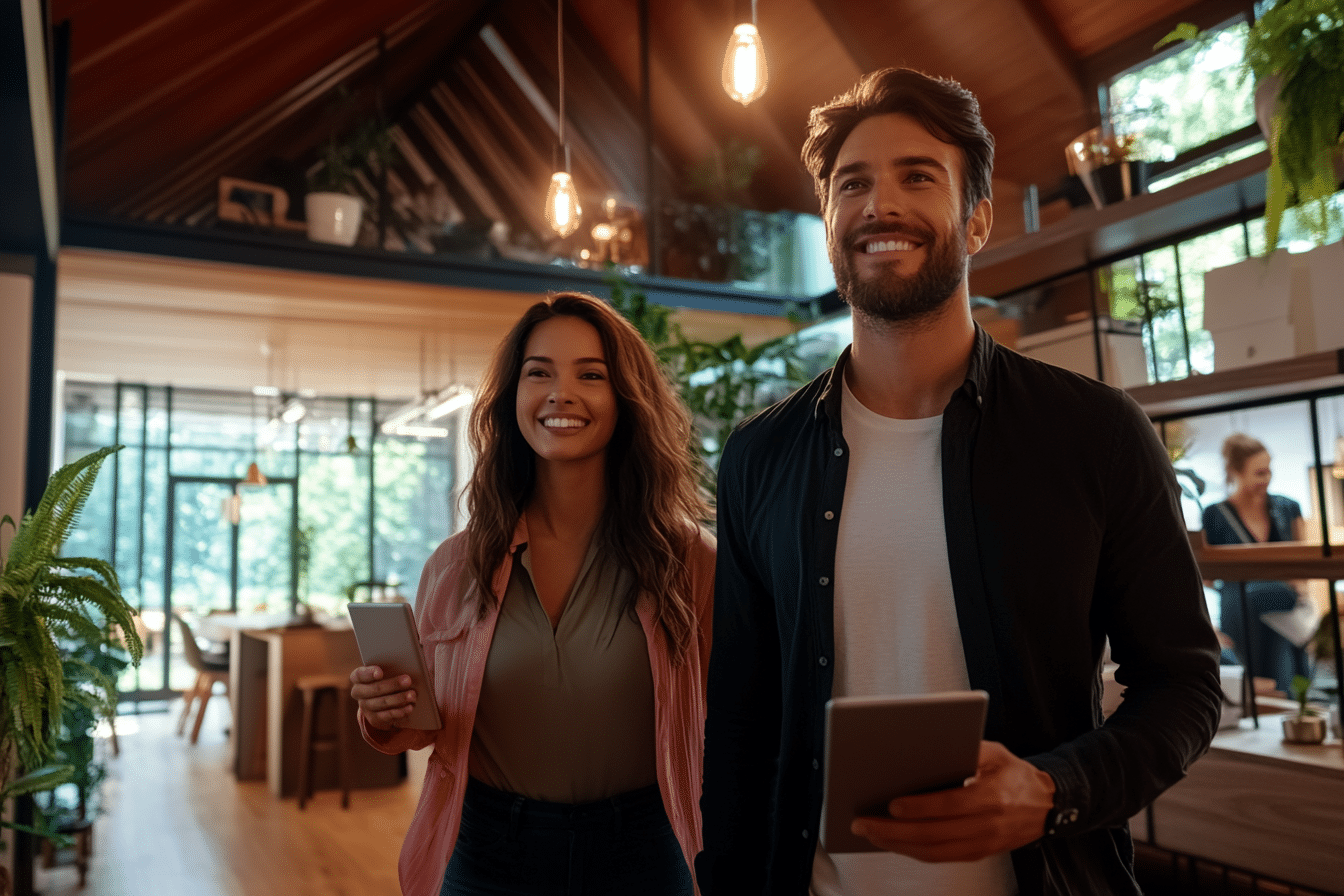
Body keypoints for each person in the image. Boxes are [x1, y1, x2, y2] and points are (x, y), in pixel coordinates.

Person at [695, 68, 1223, 896]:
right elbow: (738, 722)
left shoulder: (1093, 432)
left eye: (918, 176)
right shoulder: (761, 456)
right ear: (831, 223)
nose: (879, 205)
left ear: (976, 219)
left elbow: (1185, 684)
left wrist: (1055, 790)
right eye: (852, 183)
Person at [351, 292, 715, 896]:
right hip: (490, 849)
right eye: (538, 372)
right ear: (512, 398)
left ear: (627, 400)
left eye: (590, 375)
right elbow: (427, 726)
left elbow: (734, 723)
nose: (559, 393)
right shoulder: (455, 566)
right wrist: (385, 711)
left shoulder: (688, 560)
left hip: (645, 850)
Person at [1201, 432, 1312, 693]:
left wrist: (1300, 588)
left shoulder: (1288, 508)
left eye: (1269, 471)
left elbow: (1303, 563)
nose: (1266, 479)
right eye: (1259, 473)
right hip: (1239, 611)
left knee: (1286, 681)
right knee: (1254, 684)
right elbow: (1205, 577)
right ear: (1235, 473)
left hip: (1283, 611)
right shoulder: (1215, 515)